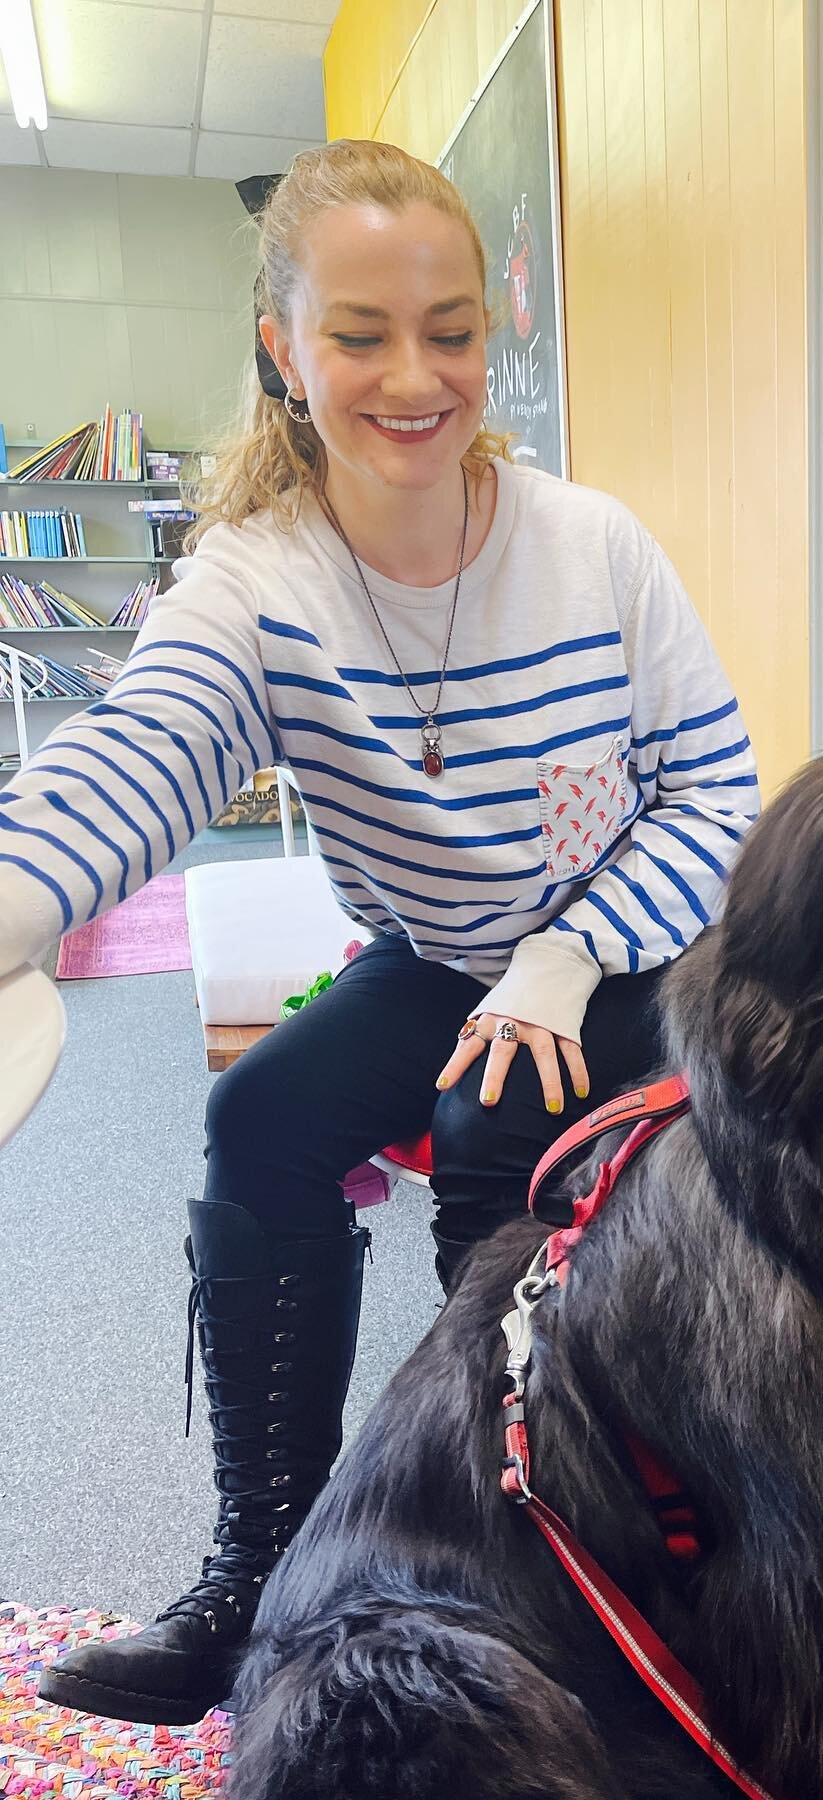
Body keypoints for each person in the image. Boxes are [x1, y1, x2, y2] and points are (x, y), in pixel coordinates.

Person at [0, 139, 758, 1727]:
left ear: (493, 336)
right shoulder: (255, 578)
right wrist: (15, 901)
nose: (415, 376)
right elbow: (142, 752)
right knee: (256, 1112)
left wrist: (564, 958)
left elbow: (718, 798)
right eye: (359, 333)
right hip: (442, 959)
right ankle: (263, 1567)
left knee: (502, 1112)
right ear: (283, 346)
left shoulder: (595, 547)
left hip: (628, 959)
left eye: (453, 329)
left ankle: (526, 1560)